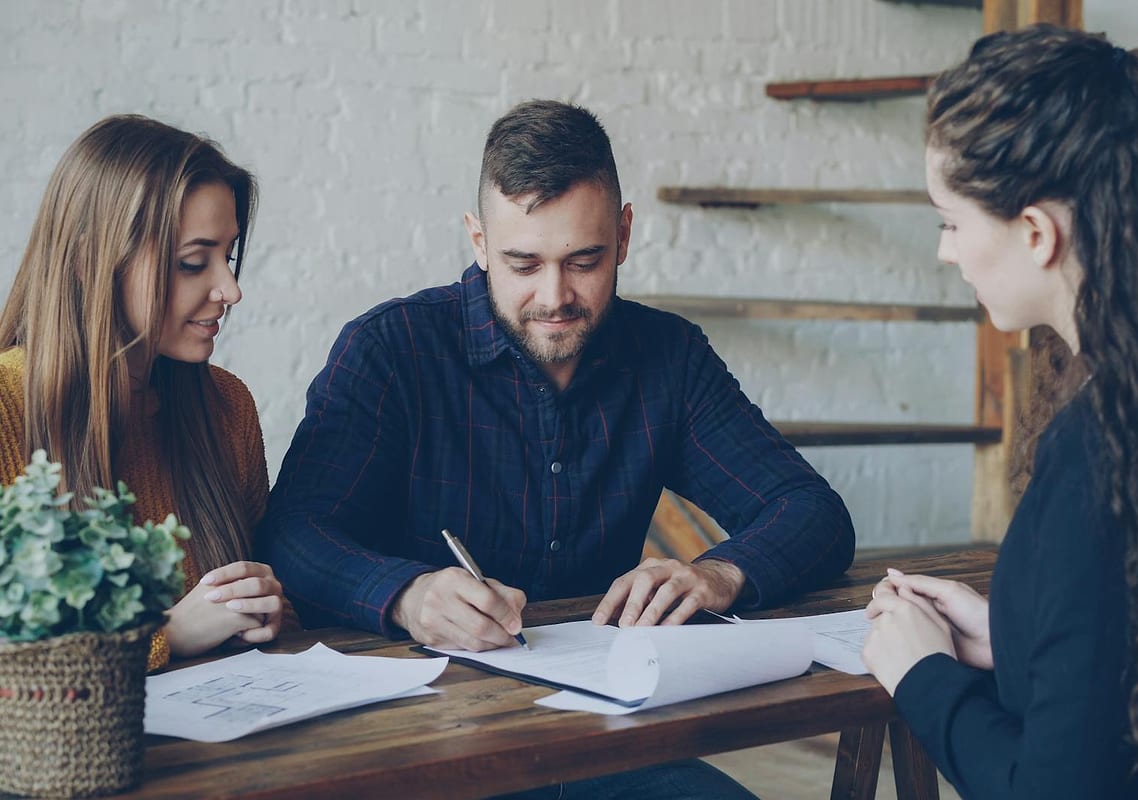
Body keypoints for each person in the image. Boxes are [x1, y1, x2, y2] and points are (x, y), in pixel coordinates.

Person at [262, 99, 854, 799]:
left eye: (584, 261)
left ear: (625, 234)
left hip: (604, 734)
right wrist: (406, 596)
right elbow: (292, 534)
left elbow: (811, 510)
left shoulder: (668, 358)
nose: (555, 296)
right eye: (522, 263)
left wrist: (719, 574)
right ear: (478, 241)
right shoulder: (392, 350)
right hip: (421, 742)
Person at [861, 25, 1138, 799]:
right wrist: (1011, 635)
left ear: (1037, 233)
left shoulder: (1102, 450)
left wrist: (922, 676)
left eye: (951, 222)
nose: (945, 253)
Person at [0, 115, 288, 670]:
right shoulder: (6, 409)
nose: (229, 289)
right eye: (190, 263)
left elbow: (266, 611)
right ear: (90, 260)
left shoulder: (227, 406)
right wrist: (165, 635)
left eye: (226, 257)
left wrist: (266, 610)